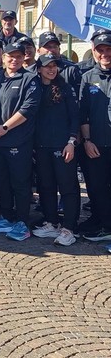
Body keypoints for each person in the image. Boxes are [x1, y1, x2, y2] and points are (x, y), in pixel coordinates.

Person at [0, 41, 41, 241]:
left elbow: (28, 109)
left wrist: (5, 127)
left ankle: (22, 222)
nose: (14, 60)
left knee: (20, 183)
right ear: (4, 57)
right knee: (1, 182)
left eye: (18, 56)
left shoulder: (30, 79)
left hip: (18, 141)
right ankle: (6, 216)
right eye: (11, 56)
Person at [32, 53, 80, 246]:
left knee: (68, 187)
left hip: (63, 145)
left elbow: (75, 117)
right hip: (41, 146)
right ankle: (52, 222)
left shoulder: (65, 87)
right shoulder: (34, 87)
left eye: (54, 66)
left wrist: (71, 141)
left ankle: (69, 228)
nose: (51, 69)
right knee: (46, 186)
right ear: (39, 69)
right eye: (47, 66)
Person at [79, 29, 111, 245]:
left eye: (108, 49)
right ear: (93, 51)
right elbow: (83, 114)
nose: (104, 54)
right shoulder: (88, 77)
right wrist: (87, 141)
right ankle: (102, 222)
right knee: (97, 188)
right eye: (100, 50)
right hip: (96, 144)